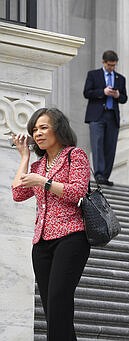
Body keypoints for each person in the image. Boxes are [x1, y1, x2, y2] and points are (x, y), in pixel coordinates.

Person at [11, 108, 91, 340]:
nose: (38, 133)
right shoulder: (37, 166)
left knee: (58, 301)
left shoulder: (74, 155)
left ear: (59, 129)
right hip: (42, 243)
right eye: (35, 129)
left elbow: (77, 192)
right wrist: (25, 157)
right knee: (53, 311)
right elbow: (17, 193)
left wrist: (44, 182)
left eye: (44, 127)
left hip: (71, 237)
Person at [83, 50, 127, 186]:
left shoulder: (120, 78)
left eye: (114, 65)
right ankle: (99, 174)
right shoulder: (93, 75)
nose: (111, 68)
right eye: (109, 65)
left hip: (112, 116)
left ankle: (105, 175)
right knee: (97, 145)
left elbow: (124, 98)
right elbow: (87, 92)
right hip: (97, 115)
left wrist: (117, 95)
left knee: (110, 146)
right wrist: (103, 92)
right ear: (103, 62)